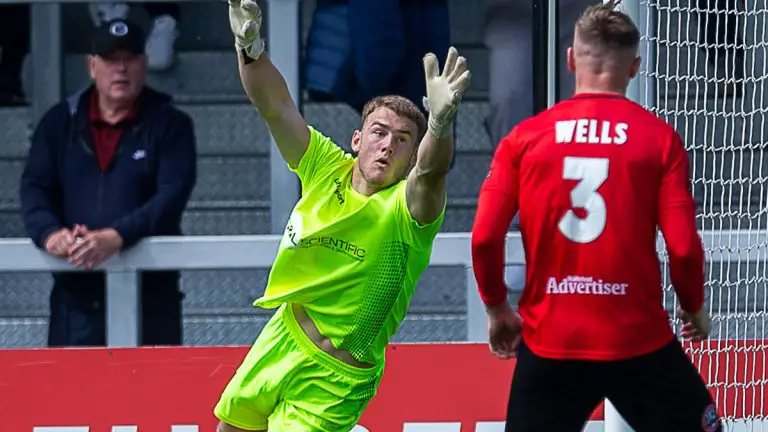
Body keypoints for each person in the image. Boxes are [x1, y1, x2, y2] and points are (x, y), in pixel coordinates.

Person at [214, 0, 470, 431]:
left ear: (411, 156)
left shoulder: (408, 211)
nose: (388, 145)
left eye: (404, 139)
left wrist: (440, 125)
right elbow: (275, 105)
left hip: (335, 378)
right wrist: (250, 47)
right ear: (357, 139)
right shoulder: (324, 167)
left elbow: (432, 171)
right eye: (379, 132)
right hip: (281, 339)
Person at [470, 1, 721, 431]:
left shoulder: (525, 138)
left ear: (570, 59)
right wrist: (693, 307)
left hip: (552, 342)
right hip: (636, 340)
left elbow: (485, 238)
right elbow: (682, 246)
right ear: (636, 66)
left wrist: (497, 308)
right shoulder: (658, 140)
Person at [19, 18, 197, 347]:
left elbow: (172, 195)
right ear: (91, 66)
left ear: (144, 64)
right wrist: (50, 234)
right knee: (72, 396)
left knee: (151, 396)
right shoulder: (59, 123)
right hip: (75, 297)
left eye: (130, 59)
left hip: (151, 296)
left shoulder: (171, 124)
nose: (121, 69)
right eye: (111, 60)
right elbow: (34, 189)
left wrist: (117, 236)